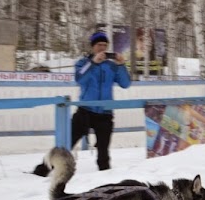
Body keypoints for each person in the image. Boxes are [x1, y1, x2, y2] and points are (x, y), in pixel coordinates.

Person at [32, 31, 131, 175]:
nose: (102, 48)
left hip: (105, 113)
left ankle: (105, 177)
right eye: (99, 45)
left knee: (104, 152)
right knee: (66, 144)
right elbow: (79, 79)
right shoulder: (83, 63)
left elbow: (126, 83)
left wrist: (122, 65)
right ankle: (42, 170)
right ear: (93, 47)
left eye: (105, 45)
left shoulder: (112, 66)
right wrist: (93, 63)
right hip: (85, 111)